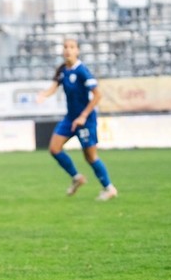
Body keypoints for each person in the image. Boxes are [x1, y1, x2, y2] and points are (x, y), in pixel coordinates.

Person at [36, 38, 118, 201]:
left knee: (90, 157)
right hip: (70, 118)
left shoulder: (82, 71)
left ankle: (109, 188)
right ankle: (76, 177)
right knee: (54, 148)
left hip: (85, 119)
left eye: (72, 47)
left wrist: (83, 116)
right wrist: (43, 95)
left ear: (77, 50)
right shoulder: (62, 70)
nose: (68, 50)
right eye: (65, 47)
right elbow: (53, 88)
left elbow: (98, 95)